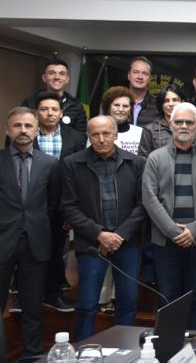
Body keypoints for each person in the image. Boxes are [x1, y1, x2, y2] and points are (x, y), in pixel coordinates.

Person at [0, 107, 62, 361]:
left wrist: (34, 223)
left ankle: (32, 354)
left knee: (32, 305)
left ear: (36, 131)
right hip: (0, 243)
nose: (23, 130)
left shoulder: (50, 164)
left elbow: (52, 204)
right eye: (17, 126)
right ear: (7, 130)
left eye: (28, 126)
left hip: (36, 243)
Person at [60, 116, 145, 339]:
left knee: (127, 301)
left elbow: (142, 205)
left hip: (126, 243)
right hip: (91, 243)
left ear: (115, 135)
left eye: (106, 133)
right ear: (88, 137)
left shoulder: (136, 163)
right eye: (95, 135)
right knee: (87, 304)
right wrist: (99, 234)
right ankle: (84, 351)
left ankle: (125, 349)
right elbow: (69, 206)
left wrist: (119, 235)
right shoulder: (72, 163)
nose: (101, 139)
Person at [142, 102, 196, 330]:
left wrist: (195, 230)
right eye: (179, 122)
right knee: (168, 297)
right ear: (171, 125)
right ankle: (169, 345)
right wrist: (173, 231)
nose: (184, 126)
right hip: (165, 241)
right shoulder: (155, 158)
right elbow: (149, 198)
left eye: (189, 122)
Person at [32, 90, 85, 313]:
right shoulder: (27, 135)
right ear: (37, 112)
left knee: (56, 252)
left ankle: (53, 294)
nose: (49, 113)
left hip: (62, 206)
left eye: (54, 109)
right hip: (32, 205)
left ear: (61, 113)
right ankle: (28, 296)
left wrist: (73, 211)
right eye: (44, 109)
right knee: (29, 252)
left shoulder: (76, 138)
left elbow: (80, 176)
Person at [22, 57, 87, 135]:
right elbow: (23, 130)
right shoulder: (30, 104)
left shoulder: (77, 106)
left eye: (62, 74)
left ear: (67, 79)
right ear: (44, 78)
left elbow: (81, 136)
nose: (57, 77)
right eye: (51, 73)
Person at [138, 83, 184, 157]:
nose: (171, 104)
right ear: (161, 105)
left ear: (182, 102)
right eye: (166, 101)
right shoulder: (149, 130)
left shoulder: (195, 128)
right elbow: (143, 158)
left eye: (175, 100)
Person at [100, 86, 144, 156]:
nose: (121, 109)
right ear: (108, 108)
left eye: (125, 106)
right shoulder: (97, 133)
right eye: (116, 105)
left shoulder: (141, 133)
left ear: (130, 110)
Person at [128, 56, 159, 128]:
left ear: (150, 79)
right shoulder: (116, 103)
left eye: (145, 73)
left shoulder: (158, 106)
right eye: (136, 72)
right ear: (129, 76)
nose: (140, 77)